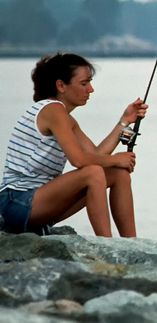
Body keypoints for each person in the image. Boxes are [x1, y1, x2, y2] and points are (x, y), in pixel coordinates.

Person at [0, 53, 147, 237]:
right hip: (17, 201)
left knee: (119, 174)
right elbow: (79, 160)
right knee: (93, 173)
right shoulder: (52, 109)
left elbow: (96, 154)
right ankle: (106, 247)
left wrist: (124, 121)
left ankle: (132, 244)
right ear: (61, 85)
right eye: (84, 83)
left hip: (38, 203)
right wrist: (116, 159)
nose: (91, 89)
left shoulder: (66, 119)